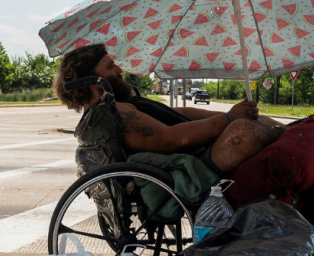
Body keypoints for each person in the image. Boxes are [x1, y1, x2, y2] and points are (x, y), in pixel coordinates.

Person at [54, 44, 285, 176]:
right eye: (110, 66)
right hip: (196, 161)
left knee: (257, 119)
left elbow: (184, 115)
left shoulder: (119, 105)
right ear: (93, 81)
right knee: (243, 131)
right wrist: (229, 118)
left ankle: (296, 135)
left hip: (202, 149)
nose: (119, 70)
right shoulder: (112, 114)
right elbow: (171, 140)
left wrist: (233, 113)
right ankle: (295, 134)